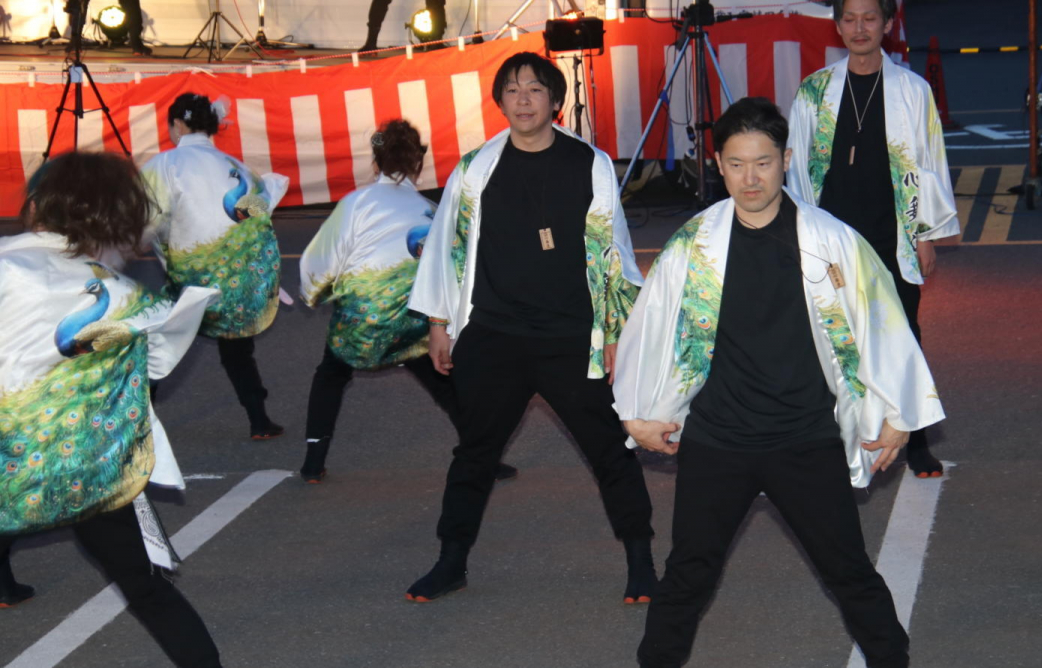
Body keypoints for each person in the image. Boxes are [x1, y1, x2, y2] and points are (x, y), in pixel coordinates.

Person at [616, 97, 946, 668]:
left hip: (805, 437)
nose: (750, 178)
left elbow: (882, 324)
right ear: (719, 164)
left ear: (787, 159)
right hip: (718, 439)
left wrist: (900, 414)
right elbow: (650, 328)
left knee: (849, 572)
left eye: (764, 162)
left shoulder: (832, 240)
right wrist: (634, 411)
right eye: (738, 163)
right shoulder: (692, 246)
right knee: (687, 576)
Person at [406, 51, 656, 604]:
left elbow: (612, 253)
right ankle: (451, 562)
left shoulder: (589, 163)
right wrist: (440, 323)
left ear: (555, 102)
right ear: (499, 102)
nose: (523, 99)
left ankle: (641, 561)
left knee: (610, 450)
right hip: (494, 334)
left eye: (536, 89)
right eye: (513, 90)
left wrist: (615, 334)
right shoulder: (474, 169)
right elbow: (447, 247)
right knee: (474, 453)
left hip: (570, 335)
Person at [0, 152, 223, 667]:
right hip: (90, 472)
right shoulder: (125, 294)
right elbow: (158, 366)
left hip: (11, 465)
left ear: (35, 208)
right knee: (149, 591)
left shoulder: (8, 264)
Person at [786, 0, 958, 478]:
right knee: (826, 336)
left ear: (887, 24)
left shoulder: (912, 89)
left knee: (904, 336)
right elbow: (794, 167)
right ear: (837, 26)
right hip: (829, 239)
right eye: (850, 18)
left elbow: (929, 163)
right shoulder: (814, 91)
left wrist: (925, 234)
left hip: (892, 234)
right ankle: (822, 439)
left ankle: (916, 439)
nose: (859, 28)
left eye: (870, 18)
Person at [297, 119, 515, 483]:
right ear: (418, 163)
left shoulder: (356, 203)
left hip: (362, 319)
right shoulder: (430, 209)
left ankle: (313, 461)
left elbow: (320, 260)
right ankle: (484, 456)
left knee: (330, 374)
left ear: (376, 160)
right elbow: (452, 267)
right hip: (415, 320)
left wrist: (313, 293)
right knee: (444, 380)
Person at [141, 93, 289, 440]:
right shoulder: (237, 166)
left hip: (188, 279)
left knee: (162, 346)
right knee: (237, 349)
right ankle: (259, 419)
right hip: (236, 279)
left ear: (178, 124)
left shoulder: (163, 165)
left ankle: (137, 425)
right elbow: (257, 215)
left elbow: (150, 222)